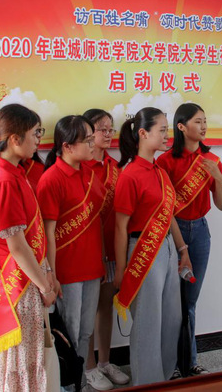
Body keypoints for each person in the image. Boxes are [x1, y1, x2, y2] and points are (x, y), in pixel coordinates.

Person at [0, 104, 57, 391]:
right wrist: (44, 287)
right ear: (14, 139)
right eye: (35, 133)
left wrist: (46, 274)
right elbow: (18, 246)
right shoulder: (3, 180)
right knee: (18, 362)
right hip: (18, 287)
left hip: (28, 279)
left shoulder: (14, 173)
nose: (38, 139)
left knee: (28, 360)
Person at [113, 107, 191, 385]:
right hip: (143, 251)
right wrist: (120, 269)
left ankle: (165, 376)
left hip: (167, 249)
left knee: (171, 317)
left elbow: (168, 215)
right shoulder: (130, 174)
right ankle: (146, 382)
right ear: (143, 134)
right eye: (162, 130)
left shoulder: (159, 171)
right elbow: (120, 227)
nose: (167, 135)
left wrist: (182, 250)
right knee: (148, 321)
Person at [37, 115, 110, 390]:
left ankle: (78, 383)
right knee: (69, 333)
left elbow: (97, 220)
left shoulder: (89, 174)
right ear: (67, 146)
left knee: (85, 332)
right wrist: (51, 275)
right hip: (66, 272)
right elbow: (47, 233)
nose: (93, 144)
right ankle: (67, 386)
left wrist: (102, 259)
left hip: (92, 266)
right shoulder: (51, 179)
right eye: (87, 140)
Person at [156, 103, 222, 377]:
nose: (204, 126)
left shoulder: (211, 160)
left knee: (190, 301)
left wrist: (217, 178)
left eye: (205, 121)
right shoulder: (165, 162)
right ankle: (172, 364)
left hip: (199, 232)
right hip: (171, 232)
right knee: (172, 301)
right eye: (198, 121)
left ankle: (189, 361)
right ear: (181, 126)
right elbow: (163, 207)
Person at [82, 109, 130, 387]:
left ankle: (105, 362)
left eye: (111, 128)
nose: (108, 134)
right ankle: (88, 367)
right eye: (102, 129)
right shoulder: (81, 167)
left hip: (112, 248)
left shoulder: (115, 166)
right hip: (87, 251)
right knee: (88, 310)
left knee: (105, 306)